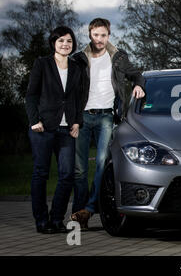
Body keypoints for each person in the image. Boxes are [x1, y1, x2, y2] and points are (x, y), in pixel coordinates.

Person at [71, 18, 145, 229]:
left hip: (106, 117)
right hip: (82, 117)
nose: (100, 39)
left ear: (108, 35)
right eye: (96, 35)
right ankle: (79, 213)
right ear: (90, 35)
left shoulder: (118, 57)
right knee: (80, 169)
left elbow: (136, 74)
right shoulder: (79, 59)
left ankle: (90, 207)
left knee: (102, 163)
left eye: (103, 35)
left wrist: (139, 85)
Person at [25, 26, 82, 234]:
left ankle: (57, 219)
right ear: (53, 43)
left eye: (68, 41)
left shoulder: (76, 68)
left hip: (67, 130)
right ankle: (41, 221)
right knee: (41, 173)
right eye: (61, 41)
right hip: (43, 127)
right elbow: (31, 95)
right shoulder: (42, 64)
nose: (65, 44)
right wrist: (34, 120)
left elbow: (77, 97)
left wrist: (77, 122)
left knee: (67, 175)